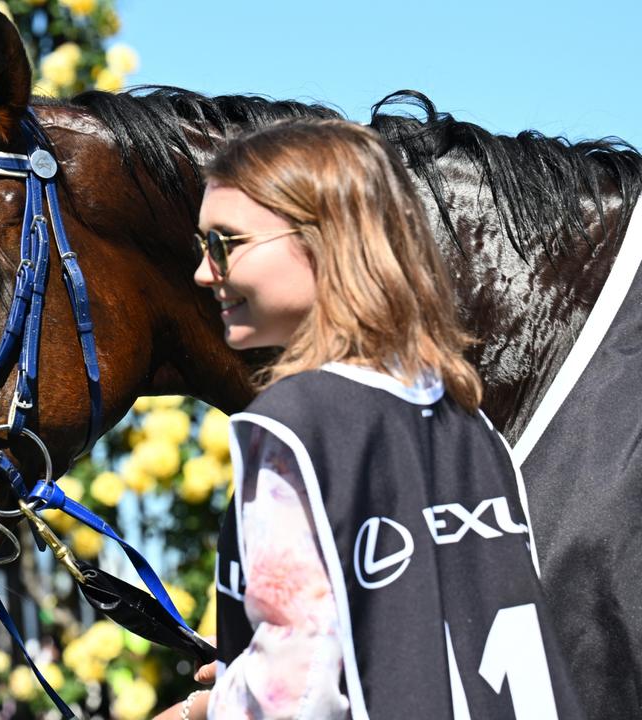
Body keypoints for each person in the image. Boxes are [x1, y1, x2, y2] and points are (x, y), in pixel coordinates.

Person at [155, 120, 582, 719]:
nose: (204, 272)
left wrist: (204, 711)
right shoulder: (470, 426)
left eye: (225, 242)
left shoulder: (297, 426)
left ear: (325, 239)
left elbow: (296, 693)